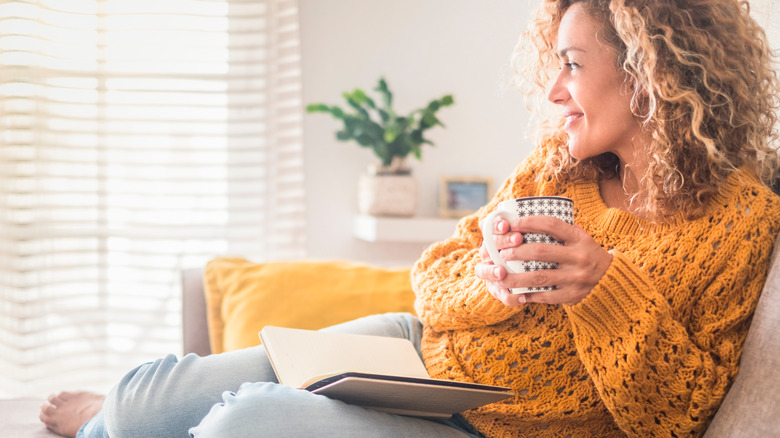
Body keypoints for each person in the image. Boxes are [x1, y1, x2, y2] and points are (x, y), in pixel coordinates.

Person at [40, 0, 780, 437]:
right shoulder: (561, 167)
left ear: (653, 72)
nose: (553, 90)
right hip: (411, 352)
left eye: (574, 64)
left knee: (245, 422)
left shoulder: (741, 220)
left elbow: (679, 417)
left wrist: (602, 289)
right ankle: (117, 420)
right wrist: (491, 278)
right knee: (148, 397)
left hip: (483, 427)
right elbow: (431, 284)